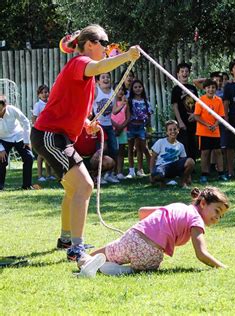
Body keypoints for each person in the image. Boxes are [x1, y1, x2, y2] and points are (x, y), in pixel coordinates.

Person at [30, 24, 140, 267]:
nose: (106, 48)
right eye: (104, 43)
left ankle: (66, 240)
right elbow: (100, 66)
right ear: (90, 44)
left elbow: (70, 105)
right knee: (85, 186)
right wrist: (126, 56)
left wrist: (86, 123)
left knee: (73, 190)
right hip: (50, 135)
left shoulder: (84, 74)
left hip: (53, 135)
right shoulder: (80, 62)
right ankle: (76, 250)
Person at [87, 186, 229, 275]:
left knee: (92, 257)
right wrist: (222, 267)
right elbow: (201, 254)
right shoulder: (196, 220)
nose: (217, 218)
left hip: (132, 237)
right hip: (150, 252)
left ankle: (83, 261)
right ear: (203, 203)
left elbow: (142, 212)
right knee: (144, 268)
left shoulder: (178, 206)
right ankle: (125, 270)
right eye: (217, 211)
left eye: (221, 216)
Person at [194, 79, 227, 183]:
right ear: (204, 89)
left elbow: (221, 116)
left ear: (216, 89)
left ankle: (221, 173)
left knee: (218, 151)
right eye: (208, 87)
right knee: (205, 152)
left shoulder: (219, 100)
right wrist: (207, 125)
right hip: (203, 131)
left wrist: (215, 125)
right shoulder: (200, 100)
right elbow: (196, 116)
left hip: (215, 130)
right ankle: (204, 174)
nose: (211, 90)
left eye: (213, 87)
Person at [0, 96, 34, 190]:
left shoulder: (12, 110)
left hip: (18, 136)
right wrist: (1, 149)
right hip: (2, 139)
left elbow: (26, 122)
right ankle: (0, 186)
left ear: (5, 106)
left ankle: (27, 186)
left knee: (29, 157)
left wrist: (27, 140)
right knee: (1, 160)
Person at [149, 120, 195, 188]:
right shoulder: (160, 142)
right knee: (157, 175)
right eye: (170, 130)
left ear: (178, 130)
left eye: (175, 129)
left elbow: (184, 161)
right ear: (167, 132)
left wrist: (189, 177)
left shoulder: (180, 145)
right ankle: (163, 182)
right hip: (162, 167)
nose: (173, 131)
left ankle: (183, 182)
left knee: (191, 161)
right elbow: (153, 158)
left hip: (174, 167)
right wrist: (151, 173)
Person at [92, 72, 119, 183]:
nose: (106, 79)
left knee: (114, 149)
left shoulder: (113, 93)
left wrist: (122, 106)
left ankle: (110, 174)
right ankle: (99, 176)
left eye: (108, 77)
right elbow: (89, 103)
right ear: (98, 81)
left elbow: (114, 112)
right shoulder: (96, 91)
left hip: (109, 125)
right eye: (103, 77)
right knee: (101, 151)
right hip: (99, 126)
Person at [172, 62, 199, 161]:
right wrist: (180, 122)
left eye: (186, 71)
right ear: (178, 74)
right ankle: (184, 164)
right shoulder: (176, 89)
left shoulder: (192, 88)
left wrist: (195, 114)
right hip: (182, 121)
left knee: (193, 143)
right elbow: (175, 106)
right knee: (183, 143)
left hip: (192, 119)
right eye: (182, 71)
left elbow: (197, 104)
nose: (184, 73)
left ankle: (192, 164)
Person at [125, 79, 152, 179]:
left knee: (141, 148)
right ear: (132, 89)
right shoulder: (130, 101)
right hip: (131, 126)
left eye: (139, 87)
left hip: (141, 127)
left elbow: (149, 115)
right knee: (130, 149)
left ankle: (140, 169)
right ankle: (131, 170)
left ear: (143, 88)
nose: (138, 89)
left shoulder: (146, 101)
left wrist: (148, 129)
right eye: (135, 87)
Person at [31, 84, 55, 182]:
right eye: (42, 93)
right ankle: (40, 175)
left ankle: (49, 174)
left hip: (49, 131)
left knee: (49, 153)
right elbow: (34, 119)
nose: (45, 94)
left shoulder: (50, 103)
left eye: (46, 92)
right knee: (41, 154)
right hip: (40, 132)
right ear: (38, 95)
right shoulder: (38, 105)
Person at [111, 83, 128, 180]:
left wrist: (122, 126)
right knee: (114, 151)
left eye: (122, 89)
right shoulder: (111, 103)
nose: (120, 91)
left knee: (121, 151)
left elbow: (128, 116)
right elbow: (109, 116)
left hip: (123, 129)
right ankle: (113, 171)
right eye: (118, 89)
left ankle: (120, 172)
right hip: (113, 129)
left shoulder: (125, 103)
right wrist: (116, 126)